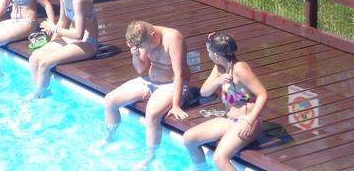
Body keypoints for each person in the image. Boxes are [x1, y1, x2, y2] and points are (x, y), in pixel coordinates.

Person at [101, 21, 190, 168]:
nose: (146, 50)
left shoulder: (173, 38)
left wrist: (176, 104)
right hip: (149, 80)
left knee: (152, 113)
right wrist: (135, 55)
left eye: (146, 46)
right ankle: (110, 137)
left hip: (170, 85)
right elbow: (141, 70)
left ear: (153, 35)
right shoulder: (144, 39)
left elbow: (179, 74)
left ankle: (150, 157)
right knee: (110, 100)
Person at [183, 32, 268, 171]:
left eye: (208, 51)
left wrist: (249, 122)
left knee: (219, 159)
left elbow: (263, 95)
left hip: (247, 121)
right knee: (189, 138)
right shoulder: (219, 68)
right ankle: (202, 169)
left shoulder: (240, 69)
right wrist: (218, 81)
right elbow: (204, 92)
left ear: (216, 55)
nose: (208, 54)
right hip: (229, 120)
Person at [27, 0, 98, 99]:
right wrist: (52, 42)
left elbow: (79, 34)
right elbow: (63, 22)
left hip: (87, 42)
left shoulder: (79, 0)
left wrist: (53, 28)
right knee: (34, 58)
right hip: (69, 38)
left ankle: (40, 96)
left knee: (44, 63)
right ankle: (38, 91)